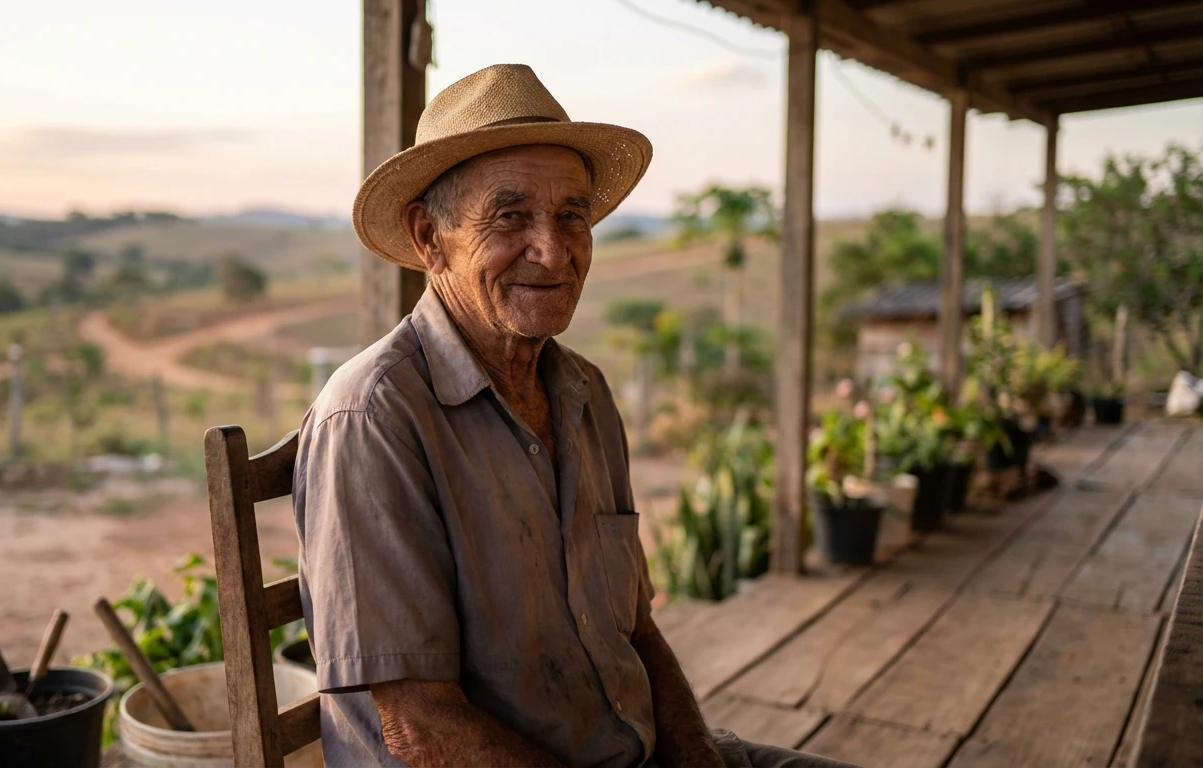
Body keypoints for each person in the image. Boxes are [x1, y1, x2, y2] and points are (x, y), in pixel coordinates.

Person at [294, 63, 855, 768]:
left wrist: (698, 756)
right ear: (429, 238)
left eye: (571, 215)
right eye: (510, 217)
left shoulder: (582, 392)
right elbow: (419, 725)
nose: (553, 250)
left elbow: (637, 632)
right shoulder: (372, 419)